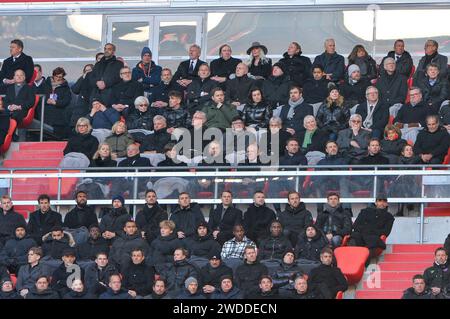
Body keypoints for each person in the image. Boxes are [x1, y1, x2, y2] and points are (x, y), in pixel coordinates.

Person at [41, 67, 72, 139]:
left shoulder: (65, 87)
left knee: (57, 136)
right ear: (53, 75)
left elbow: (67, 100)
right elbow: (39, 96)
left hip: (59, 116)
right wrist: (46, 100)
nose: (58, 78)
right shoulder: (45, 84)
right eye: (56, 76)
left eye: (60, 77)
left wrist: (56, 102)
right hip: (46, 115)